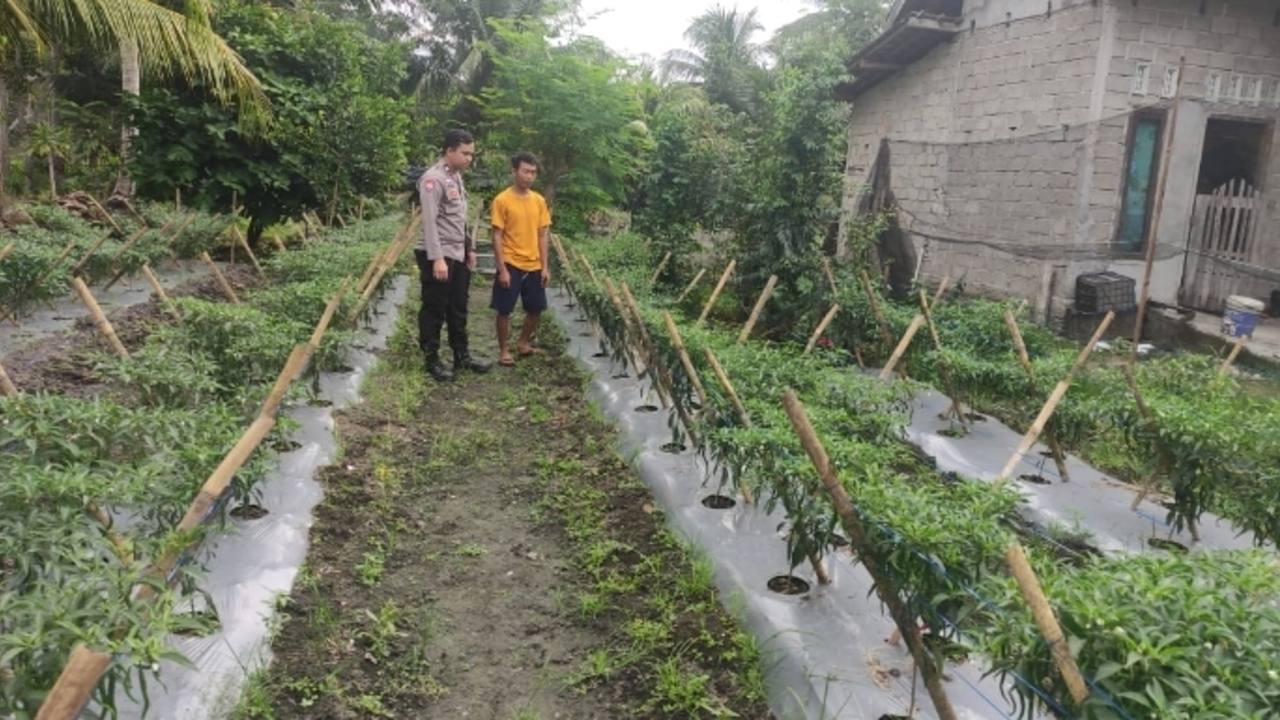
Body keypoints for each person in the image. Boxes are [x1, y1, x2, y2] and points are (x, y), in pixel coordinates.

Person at [416, 129, 491, 381]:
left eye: (472, 153)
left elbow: (459, 218)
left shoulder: (456, 177)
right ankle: (431, 359)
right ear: (449, 151)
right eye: (465, 153)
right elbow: (430, 222)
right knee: (435, 306)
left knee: (458, 306)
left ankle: (462, 355)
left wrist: (468, 249)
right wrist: (437, 258)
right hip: (438, 253)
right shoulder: (432, 179)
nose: (470, 158)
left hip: (457, 252)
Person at [490, 152, 552, 367]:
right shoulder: (502, 200)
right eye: (525, 171)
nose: (529, 176)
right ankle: (504, 350)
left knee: (536, 308)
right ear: (514, 171)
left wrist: (545, 267)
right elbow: (497, 235)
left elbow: (542, 235)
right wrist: (502, 269)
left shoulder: (539, 201)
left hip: (534, 264)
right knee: (504, 309)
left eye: (533, 172)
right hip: (510, 262)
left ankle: (523, 343)